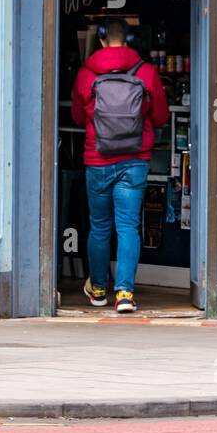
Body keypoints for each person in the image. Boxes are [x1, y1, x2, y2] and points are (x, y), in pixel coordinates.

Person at [70, 18, 168, 314]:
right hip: (134, 160)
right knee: (128, 227)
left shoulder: (87, 74)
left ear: (100, 39)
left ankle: (98, 289)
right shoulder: (147, 72)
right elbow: (161, 116)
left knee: (100, 227)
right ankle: (124, 294)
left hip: (97, 159)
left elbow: (77, 116)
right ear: (130, 39)